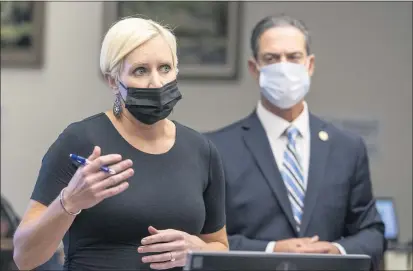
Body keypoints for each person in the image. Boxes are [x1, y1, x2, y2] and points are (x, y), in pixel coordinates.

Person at [13, 17, 228, 271]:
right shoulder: (81, 140)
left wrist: (198, 250)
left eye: (165, 68)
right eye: (141, 70)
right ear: (113, 81)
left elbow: (219, 247)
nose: (156, 82)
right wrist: (69, 201)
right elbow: (24, 257)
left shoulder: (201, 150)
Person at [206, 14, 385, 270]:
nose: (283, 66)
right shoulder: (217, 149)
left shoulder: (347, 148)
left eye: (293, 57)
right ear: (254, 68)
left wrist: (336, 250)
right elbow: (206, 240)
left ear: (309, 65)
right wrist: (271, 250)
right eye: (271, 58)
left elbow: (372, 233)